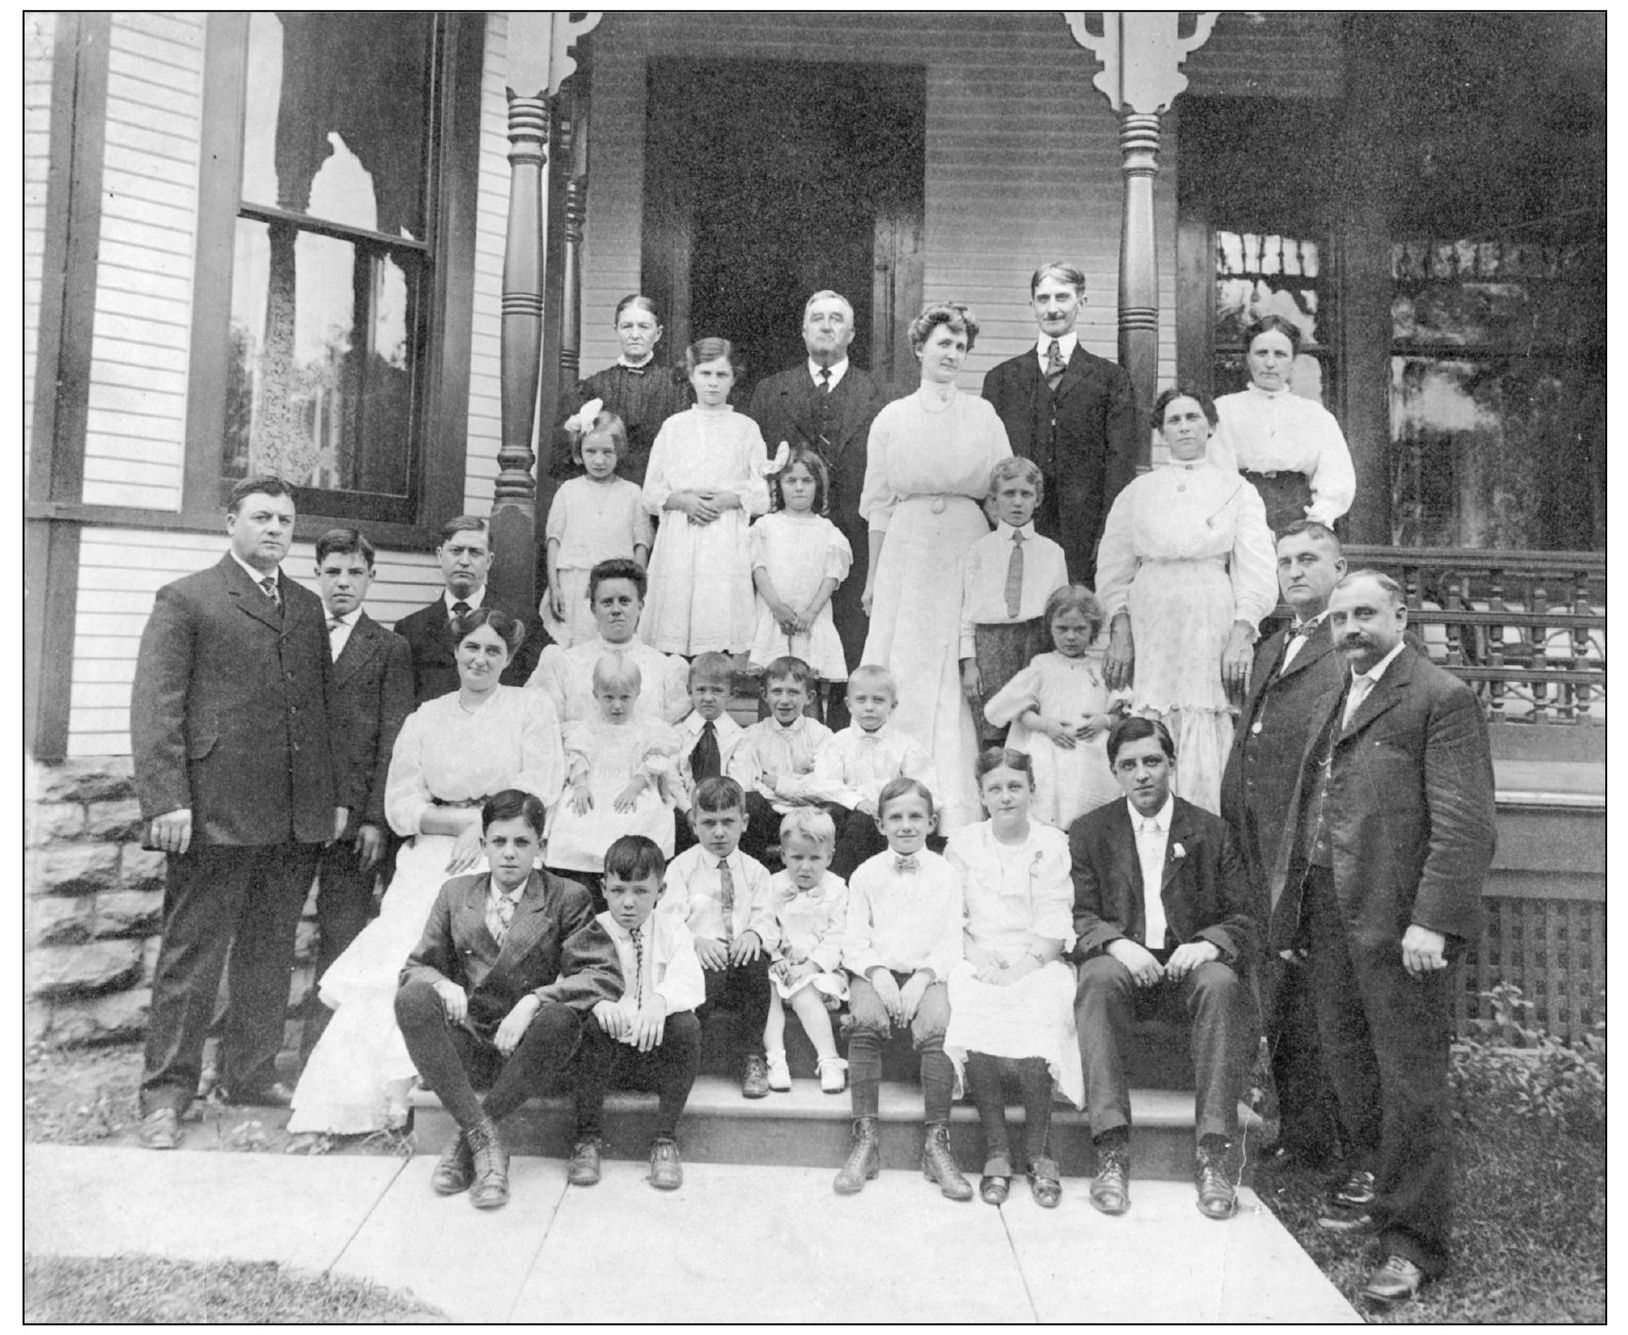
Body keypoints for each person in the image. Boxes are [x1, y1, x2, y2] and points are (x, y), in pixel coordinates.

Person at [1271, 571, 1494, 1306]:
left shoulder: (1439, 696)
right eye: (1339, 619)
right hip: (1334, 910)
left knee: (1410, 1082)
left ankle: (1412, 1244)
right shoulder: (1345, 686)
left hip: (1402, 923)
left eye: (1364, 614)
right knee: (1350, 1066)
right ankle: (1381, 1196)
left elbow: (1465, 822)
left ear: (1401, 615)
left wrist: (1432, 917)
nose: (1350, 629)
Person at [289, 609, 566, 1137]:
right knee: (403, 948)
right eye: (472, 649)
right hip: (435, 848)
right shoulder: (425, 717)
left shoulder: (531, 709)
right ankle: (367, 1101)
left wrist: (487, 830)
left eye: (493, 651)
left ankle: (456, 1083)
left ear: (508, 659)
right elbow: (400, 804)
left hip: (503, 845)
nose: (481, 659)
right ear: (455, 652)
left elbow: (540, 787)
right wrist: (464, 821)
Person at [130, 477, 348, 1148]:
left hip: (290, 816)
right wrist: (167, 799)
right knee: (193, 954)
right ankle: (167, 1094)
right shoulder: (188, 598)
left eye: (285, 518)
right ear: (232, 521)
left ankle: (249, 1072)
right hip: (214, 812)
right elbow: (157, 706)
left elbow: (318, 710)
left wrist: (330, 799)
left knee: (269, 949)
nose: (275, 528)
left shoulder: (307, 607)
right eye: (261, 516)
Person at [1070, 717, 1259, 1222]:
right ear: (1114, 772)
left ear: (1171, 763)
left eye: (1152, 762)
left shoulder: (1212, 832)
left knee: (1222, 983)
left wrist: (1210, 944)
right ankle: (1111, 1148)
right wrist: (1115, 944)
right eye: (1128, 766)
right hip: (1125, 968)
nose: (1142, 775)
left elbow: (1244, 916)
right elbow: (1079, 915)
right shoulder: (1091, 832)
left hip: (1187, 968)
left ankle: (1213, 1151)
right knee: (1096, 978)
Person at [395, 790, 621, 1210]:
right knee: (411, 999)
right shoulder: (455, 893)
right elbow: (414, 968)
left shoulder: (566, 896)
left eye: (522, 843)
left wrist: (535, 999)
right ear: (483, 845)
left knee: (560, 1019)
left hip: (530, 1053)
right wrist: (442, 983)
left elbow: (602, 974)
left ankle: (466, 1144)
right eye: (498, 842)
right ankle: (483, 1140)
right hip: (472, 1043)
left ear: (541, 844)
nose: (509, 854)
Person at [1218, 520, 1348, 1168]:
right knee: (1277, 989)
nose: (1295, 571)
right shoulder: (1275, 642)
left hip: (1305, 850)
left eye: (1309, 559)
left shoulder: (1345, 645)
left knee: (1316, 996)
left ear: (1338, 568)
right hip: (1257, 841)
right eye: (1286, 560)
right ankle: (1301, 1132)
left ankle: (1332, 1138)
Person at [860, 302, 1012, 830]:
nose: (951, 353)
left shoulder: (983, 415)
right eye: (942, 343)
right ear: (920, 348)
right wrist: (875, 576)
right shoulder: (893, 418)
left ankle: (958, 809)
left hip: (966, 545)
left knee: (955, 663)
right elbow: (878, 502)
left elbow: (1002, 492)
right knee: (905, 660)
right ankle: (898, 800)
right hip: (908, 548)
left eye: (960, 346)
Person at [1096, 386, 1277, 814]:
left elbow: (1257, 570)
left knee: (1204, 712)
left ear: (1211, 427)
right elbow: (1113, 570)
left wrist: (1241, 635)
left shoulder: (1237, 490)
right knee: (1150, 712)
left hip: (1209, 615)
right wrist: (1119, 631)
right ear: (1161, 431)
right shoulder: (1138, 492)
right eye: (1174, 420)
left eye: (1193, 417)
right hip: (1151, 619)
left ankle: (1203, 829)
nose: (1184, 427)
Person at [944, 750, 1082, 1209]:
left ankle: (1040, 1152)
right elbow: (952, 917)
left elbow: (1055, 917)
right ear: (982, 795)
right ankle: (997, 1150)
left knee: (1042, 1002)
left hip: (1037, 958)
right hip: (977, 955)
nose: (1006, 796)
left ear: (1032, 790)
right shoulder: (962, 844)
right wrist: (981, 961)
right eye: (996, 788)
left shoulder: (1051, 843)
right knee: (970, 999)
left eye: (1015, 786)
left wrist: (1023, 968)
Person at [299, 528, 416, 1064]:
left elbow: (392, 737)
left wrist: (375, 818)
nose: (342, 583)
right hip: (289, 815)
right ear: (317, 575)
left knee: (341, 934)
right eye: (332, 572)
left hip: (354, 825)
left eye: (354, 573)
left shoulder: (388, 648)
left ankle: (322, 1058)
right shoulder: (294, 635)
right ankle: (247, 1065)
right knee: (269, 933)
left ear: (371, 578)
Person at [746, 289, 890, 713]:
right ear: (804, 331)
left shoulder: (879, 393)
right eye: (818, 319)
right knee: (782, 647)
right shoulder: (772, 392)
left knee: (846, 647)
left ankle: (843, 741)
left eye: (836, 319)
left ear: (851, 332)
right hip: (788, 543)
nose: (827, 326)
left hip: (854, 537)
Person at [835, 778, 969, 1200]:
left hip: (927, 974)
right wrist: (875, 973)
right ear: (880, 824)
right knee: (866, 1019)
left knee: (938, 1025)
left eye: (916, 817)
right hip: (877, 971)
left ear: (931, 822)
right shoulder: (865, 874)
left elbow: (952, 940)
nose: (906, 825)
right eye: (896, 817)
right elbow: (853, 939)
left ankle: (936, 1143)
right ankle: (866, 1138)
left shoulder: (947, 874)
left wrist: (924, 978)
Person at [981, 262, 1139, 578]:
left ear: (1081, 302)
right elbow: (988, 462)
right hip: (1017, 524)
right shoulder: (1001, 379)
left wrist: (1107, 532)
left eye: (1062, 298)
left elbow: (1120, 463)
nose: (1052, 309)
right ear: (1032, 304)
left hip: (1083, 532)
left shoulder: (1110, 379)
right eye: (1043, 299)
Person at [568, 835, 704, 1193]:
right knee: (590, 1023)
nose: (628, 903)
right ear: (603, 888)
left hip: (655, 1056)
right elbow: (569, 981)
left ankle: (664, 1139)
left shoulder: (672, 928)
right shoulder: (593, 929)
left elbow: (689, 977)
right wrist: (598, 1003)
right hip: (607, 1058)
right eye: (618, 890)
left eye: (641, 891)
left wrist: (660, 1001)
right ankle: (588, 1139)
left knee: (686, 1024)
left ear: (661, 889)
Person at [640, 338, 770, 655]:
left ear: (734, 379)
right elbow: (650, 493)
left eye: (721, 375)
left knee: (717, 622)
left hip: (724, 539)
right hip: (681, 539)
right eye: (705, 373)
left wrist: (729, 499)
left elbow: (762, 494)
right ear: (691, 375)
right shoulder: (674, 427)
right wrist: (683, 501)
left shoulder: (746, 428)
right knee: (677, 615)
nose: (712, 383)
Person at [660, 777, 779, 1099]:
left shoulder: (756, 872)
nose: (718, 832)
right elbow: (668, 919)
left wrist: (754, 934)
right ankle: (683, 1057)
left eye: (728, 822)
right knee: (702, 977)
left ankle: (753, 1056)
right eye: (708, 823)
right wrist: (694, 941)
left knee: (757, 964)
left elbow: (766, 917)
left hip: (740, 959)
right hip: (703, 959)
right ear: (694, 824)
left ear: (744, 823)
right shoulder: (681, 869)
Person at [984, 584, 1124, 829]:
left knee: (1090, 815)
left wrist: (1105, 721)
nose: (1070, 636)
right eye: (1062, 628)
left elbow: (1123, 713)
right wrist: (1046, 725)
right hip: (1050, 754)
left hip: (1090, 761)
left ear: (1093, 629)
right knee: (1047, 810)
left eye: (1080, 629)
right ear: (1050, 627)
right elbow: (1015, 710)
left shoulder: (1101, 668)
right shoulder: (1042, 665)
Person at [1210, 314, 1356, 534]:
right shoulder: (1224, 410)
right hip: (1240, 514)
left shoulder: (1315, 415)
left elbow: (1336, 476)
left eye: (1280, 354)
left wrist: (1316, 520)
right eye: (1261, 353)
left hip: (1298, 514)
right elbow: (1217, 474)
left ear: (1292, 361)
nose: (1270, 363)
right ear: (1248, 358)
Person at [548, 657, 682, 892]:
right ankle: (583, 880)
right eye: (609, 697)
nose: (617, 705)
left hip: (632, 787)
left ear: (637, 694)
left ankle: (628, 878)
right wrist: (580, 785)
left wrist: (634, 787)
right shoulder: (588, 727)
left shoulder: (646, 728)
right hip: (593, 787)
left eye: (625, 698)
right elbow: (577, 756)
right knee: (573, 816)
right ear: (596, 694)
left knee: (637, 818)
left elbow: (653, 761)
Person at [958, 457, 1069, 741]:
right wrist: (970, 663)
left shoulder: (1052, 552)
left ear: (1038, 499)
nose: (1018, 502)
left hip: (1036, 641)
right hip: (991, 644)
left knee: (1033, 724)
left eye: (1026, 494)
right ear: (994, 500)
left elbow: (1062, 612)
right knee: (993, 724)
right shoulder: (980, 550)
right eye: (1009, 494)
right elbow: (968, 613)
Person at [803, 665, 940, 880]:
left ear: (892, 706)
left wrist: (890, 806)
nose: (869, 708)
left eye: (878, 700)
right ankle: (837, 884)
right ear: (849, 704)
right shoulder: (837, 743)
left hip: (886, 819)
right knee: (842, 819)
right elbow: (825, 784)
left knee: (866, 824)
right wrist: (857, 802)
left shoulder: (906, 746)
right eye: (861, 700)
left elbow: (923, 788)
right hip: (847, 814)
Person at [394, 517, 549, 704]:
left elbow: (543, 687)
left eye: (475, 552)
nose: (464, 561)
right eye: (456, 551)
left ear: (489, 561)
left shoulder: (521, 620)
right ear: (440, 555)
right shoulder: (411, 629)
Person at [748, 445, 853, 713]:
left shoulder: (826, 529)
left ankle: (812, 749)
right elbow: (758, 567)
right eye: (790, 480)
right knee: (773, 684)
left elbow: (832, 575)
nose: (798, 487)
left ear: (818, 486)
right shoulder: (765, 526)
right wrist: (777, 607)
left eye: (807, 481)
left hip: (810, 620)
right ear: (778, 485)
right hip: (775, 617)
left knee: (808, 687)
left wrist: (811, 612)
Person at [550, 294, 690, 489]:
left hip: (659, 492)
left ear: (657, 334)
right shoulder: (592, 388)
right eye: (627, 326)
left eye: (643, 327)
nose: (634, 334)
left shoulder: (677, 387)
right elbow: (565, 458)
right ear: (616, 330)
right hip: (606, 491)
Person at [541, 406, 653, 648]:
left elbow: (641, 544)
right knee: (576, 647)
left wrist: (636, 588)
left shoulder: (632, 493)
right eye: (591, 451)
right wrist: (555, 586)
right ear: (579, 452)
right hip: (574, 581)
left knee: (612, 644)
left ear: (619, 451)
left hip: (615, 585)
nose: (599, 460)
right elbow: (553, 542)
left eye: (607, 452)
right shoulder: (568, 491)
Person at [527, 558, 690, 725]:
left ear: (640, 606)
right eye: (607, 602)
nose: (616, 610)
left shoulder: (664, 668)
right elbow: (546, 730)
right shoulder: (565, 664)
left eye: (624, 601)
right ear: (593, 609)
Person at [762, 809, 849, 1095]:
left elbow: (837, 937)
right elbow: (766, 925)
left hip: (819, 972)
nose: (805, 867)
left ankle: (829, 1059)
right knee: (768, 991)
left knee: (802, 990)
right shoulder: (772, 885)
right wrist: (776, 959)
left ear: (830, 856)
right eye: (797, 858)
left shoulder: (837, 889)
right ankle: (776, 1059)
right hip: (783, 967)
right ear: (783, 855)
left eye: (815, 858)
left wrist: (811, 966)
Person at [727, 656, 832, 867]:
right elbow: (746, 783)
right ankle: (754, 876)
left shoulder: (821, 735)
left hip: (811, 813)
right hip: (769, 815)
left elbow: (825, 785)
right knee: (750, 803)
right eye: (777, 691)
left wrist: (779, 784)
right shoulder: (751, 736)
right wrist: (799, 789)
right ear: (764, 695)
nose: (785, 700)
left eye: (793, 692)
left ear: (809, 697)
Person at [672, 651, 745, 855]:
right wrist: (688, 810)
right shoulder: (677, 734)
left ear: (733, 694)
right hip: (684, 812)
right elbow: (672, 779)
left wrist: (714, 816)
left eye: (717, 691)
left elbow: (738, 781)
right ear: (689, 690)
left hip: (723, 814)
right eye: (701, 690)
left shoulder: (739, 739)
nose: (708, 698)